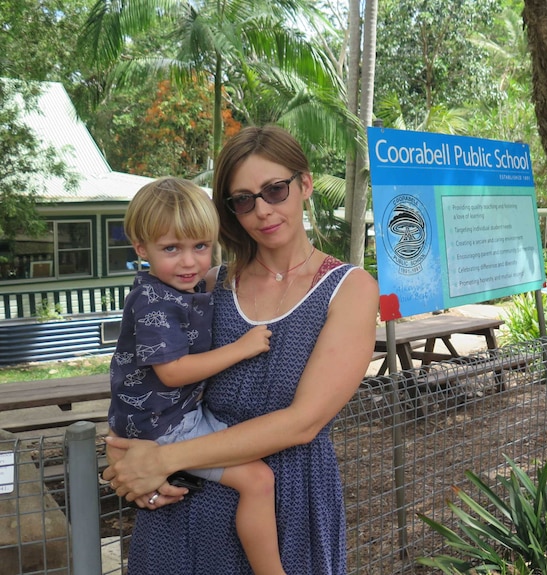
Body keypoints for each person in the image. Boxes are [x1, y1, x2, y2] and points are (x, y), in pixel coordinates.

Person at [102, 126, 379, 575]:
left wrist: (161, 460)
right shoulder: (208, 284)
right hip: (185, 503)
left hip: (287, 501)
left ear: (304, 184)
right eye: (244, 199)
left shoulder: (349, 289)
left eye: (275, 190)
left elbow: (302, 422)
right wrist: (127, 464)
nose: (263, 210)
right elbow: (146, 378)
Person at [107, 177, 287, 575]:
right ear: (142, 249)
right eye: (171, 248)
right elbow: (172, 373)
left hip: (173, 414)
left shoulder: (177, 289)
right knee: (257, 479)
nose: (189, 262)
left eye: (200, 247)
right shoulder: (154, 299)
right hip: (164, 424)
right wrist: (242, 347)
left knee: (254, 449)